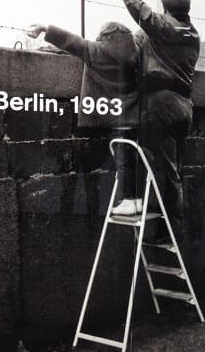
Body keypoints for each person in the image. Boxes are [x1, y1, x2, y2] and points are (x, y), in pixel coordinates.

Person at [115, 0, 200, 241]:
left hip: (162, 106)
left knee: (165, 170)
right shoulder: (192, 34)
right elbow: (146, 40)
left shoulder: (166, 28)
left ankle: (170, 232)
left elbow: (135, 5)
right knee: (172, 168)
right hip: (184, 107)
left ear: (165, 10)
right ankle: (171, 226)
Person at [24, 21, 142, 215]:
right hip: (133, 117)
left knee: (123, 160)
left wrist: (45, 28)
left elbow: (71, 41)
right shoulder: (135, 52)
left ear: (105, 37)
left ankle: (128, 200)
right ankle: (136, 198)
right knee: (133, 159)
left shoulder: (96, 51)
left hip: (112, 118)